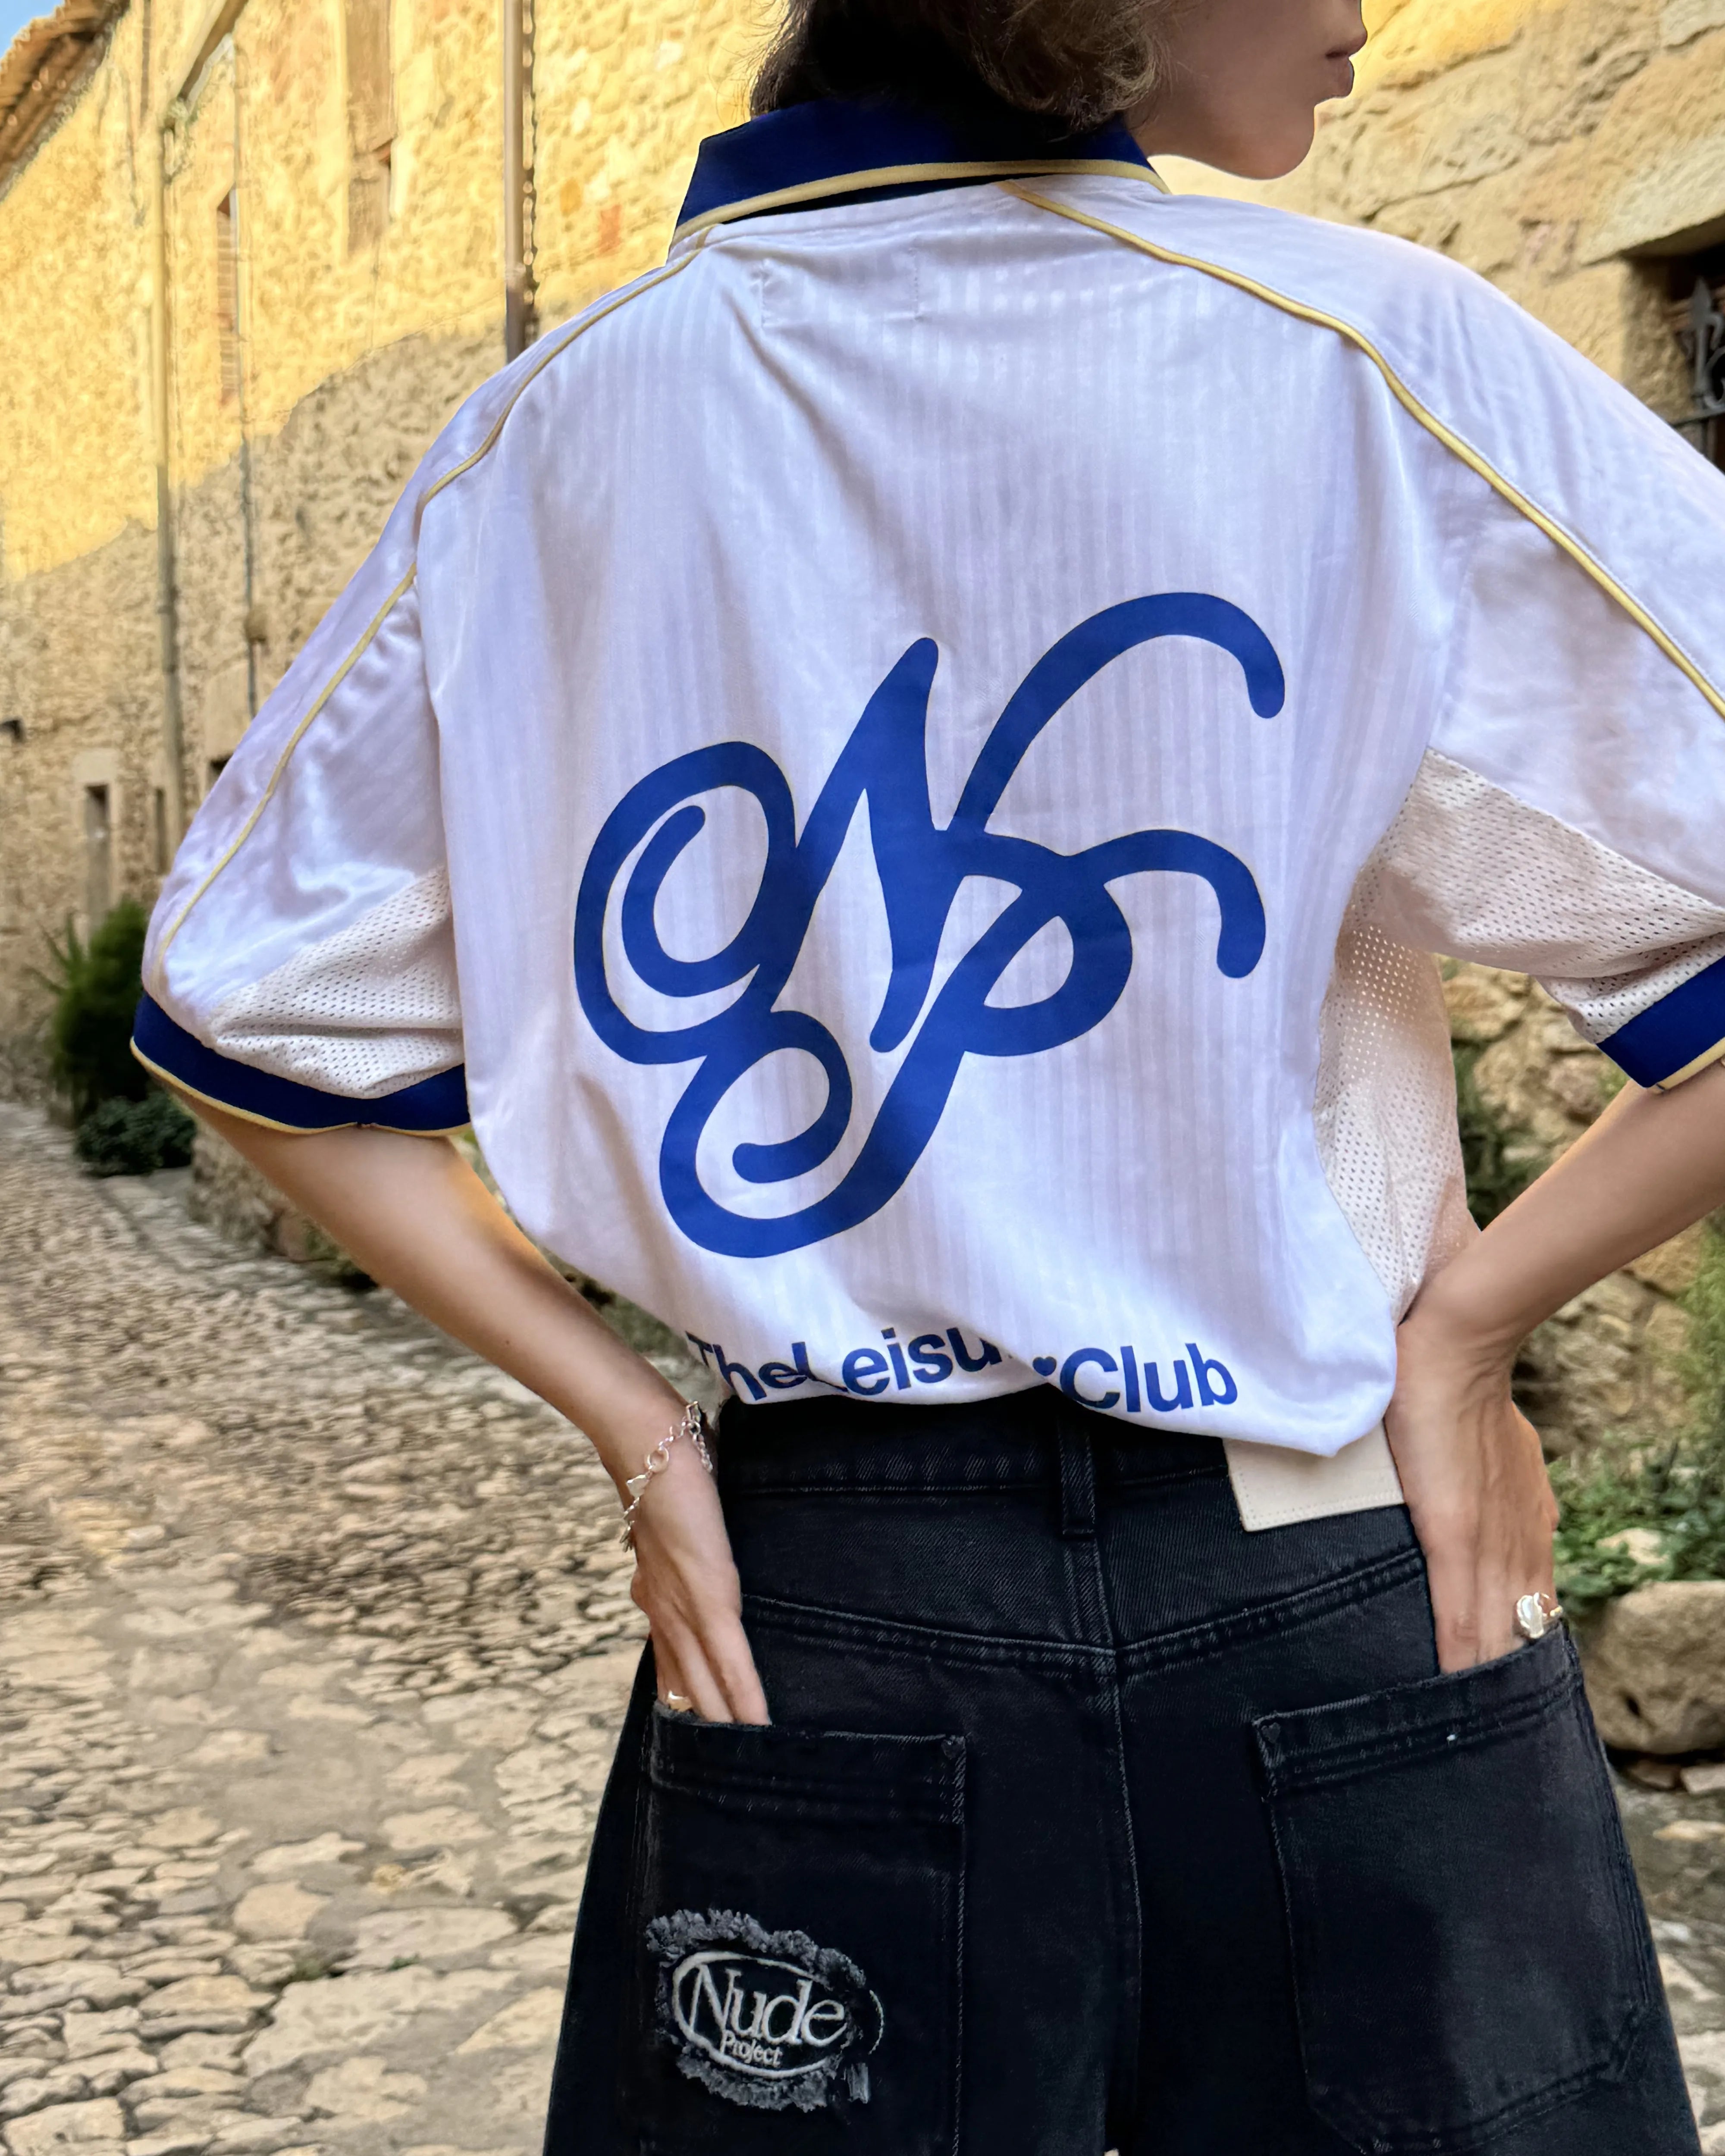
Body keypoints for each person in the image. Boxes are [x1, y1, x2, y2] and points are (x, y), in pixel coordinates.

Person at [131, 0, 1725, 2144]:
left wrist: (631, 1420)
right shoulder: (1359, 352)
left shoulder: (553, 438)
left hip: (830, 1593)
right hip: (1329, 1549)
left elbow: (245, 1013)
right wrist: (1468, 1322)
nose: (1361, 11)